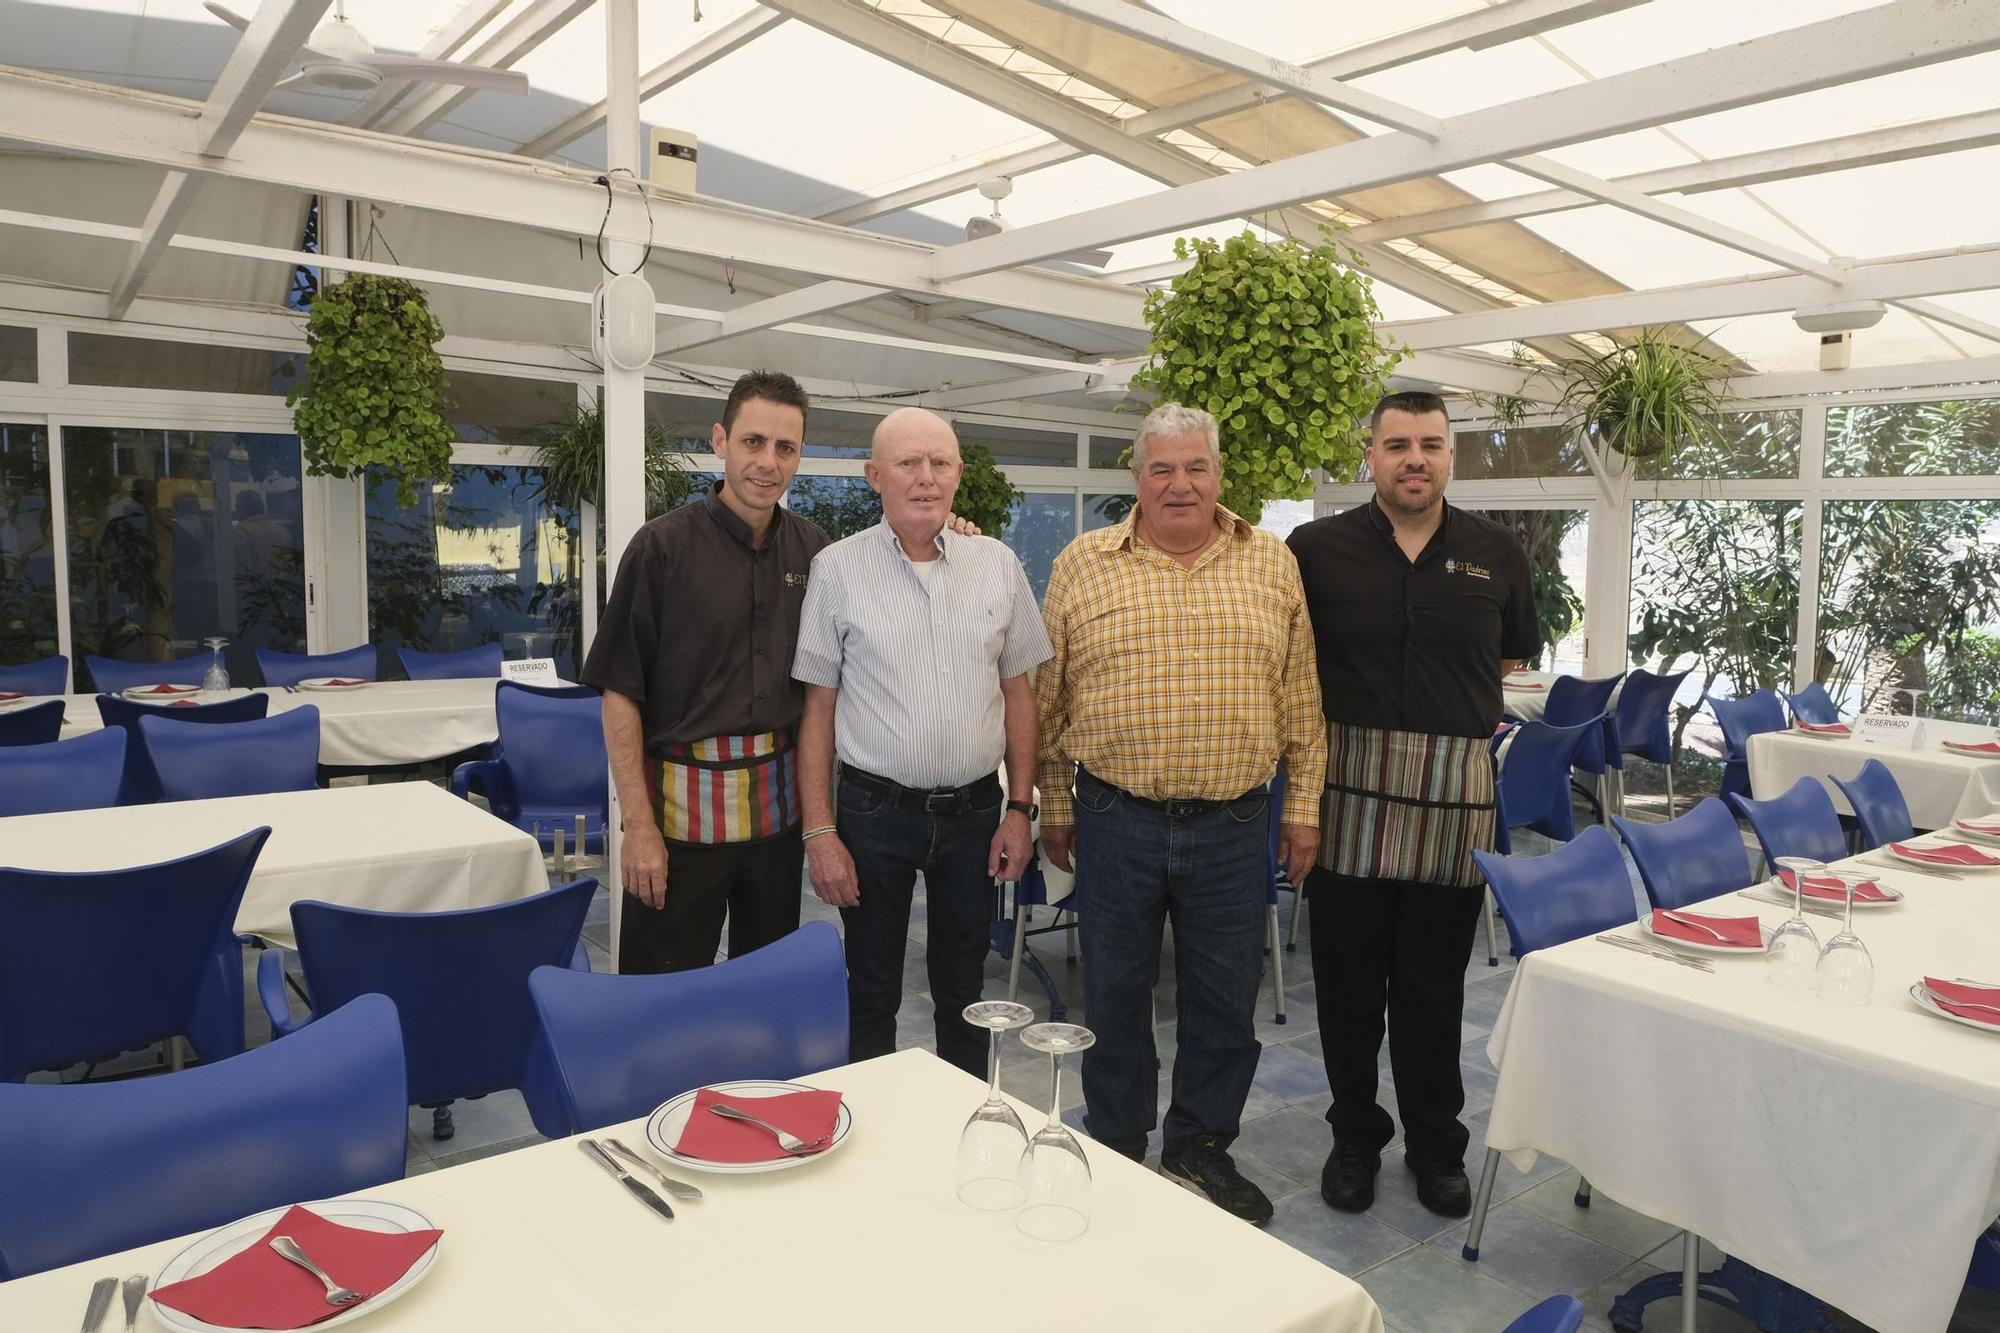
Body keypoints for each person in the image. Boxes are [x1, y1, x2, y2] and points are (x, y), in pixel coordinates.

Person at [1035, 402, 1325, 1226]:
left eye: (1195, 466)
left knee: (1224, 1003)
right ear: (1137, 477)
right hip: (1114, 819)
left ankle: (1200, 1146)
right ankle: (1120, 1144)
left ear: (1218, 474)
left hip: (1236, 825)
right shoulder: (1083, 564)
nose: (1179, 483)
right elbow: (1048, 701)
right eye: (1161, 468)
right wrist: (1056, 802)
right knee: (1117, 997)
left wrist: (1301, 811)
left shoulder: (1270, 563)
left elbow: (1301, 701)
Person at [1287, 390, 1537, 1220]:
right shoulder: (1314, 549)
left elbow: (1505, 662)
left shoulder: (1498, 551)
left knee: (1433, 991)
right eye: (1397, 443)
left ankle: (1437, 1146)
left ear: (1451, 456)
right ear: (1371, 454)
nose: (1414, 458)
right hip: (1344, 794)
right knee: (1349, 986)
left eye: (1430, 443)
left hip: (1452, 800)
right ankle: (1355, 1136)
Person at [792, 407, 1050, 1079]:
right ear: (876, 475)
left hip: (974, 814)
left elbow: (1020, 692)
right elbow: (817, 708)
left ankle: (960, 1125)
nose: (926, 477)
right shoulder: (837, 569)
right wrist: (820, 829)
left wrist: (1019, 809)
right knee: (870, 986)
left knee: (965, 991)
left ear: (959, 474)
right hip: (872, 814)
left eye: (940, 462)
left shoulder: (998, 564)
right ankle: (872, 1146)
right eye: (909, 463)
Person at [581, 370, 828, 974]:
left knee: (763, 991)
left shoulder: (817, 554)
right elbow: (619, 694)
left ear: (799, 456)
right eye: (753, 441)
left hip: (776, 818)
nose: (767, 462)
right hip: (676, 821)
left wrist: (949, 532)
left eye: (785, 447)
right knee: (658, 995)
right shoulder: (659, 549)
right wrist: (637, 826)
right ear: (720, 441)